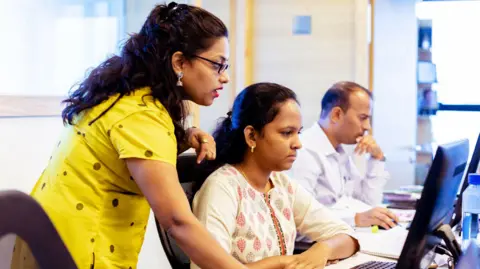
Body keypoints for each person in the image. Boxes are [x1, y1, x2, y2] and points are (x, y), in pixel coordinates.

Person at [10, 3, 247, 269]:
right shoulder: (141, 116)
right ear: (179, 62)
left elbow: (118, 151)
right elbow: (178, 221)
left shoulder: (128, 97)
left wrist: (184, 135)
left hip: (49, 243)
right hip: (79, 252)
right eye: (218, 65)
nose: (224, 78)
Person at [191, 83, 359, 269]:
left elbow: (347, 235)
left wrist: (324, 249)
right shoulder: (222, 188)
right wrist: (283, 261)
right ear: (252, 136)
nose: (298, 144)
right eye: (287, 133)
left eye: (298, 132)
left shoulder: (282, 185)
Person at [287, 81, 399, 230]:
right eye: (362, 118)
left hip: (343, 235)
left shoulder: (338, 151)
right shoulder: (304, 151)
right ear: (336, 114)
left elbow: (368, 202)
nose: (367, 127)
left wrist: (377, 159)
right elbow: (299, 218)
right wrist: (356, 219)